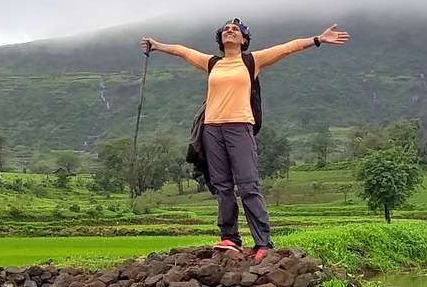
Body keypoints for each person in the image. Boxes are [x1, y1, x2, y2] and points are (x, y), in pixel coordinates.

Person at [140, 18, 350, 259]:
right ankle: (230, 238)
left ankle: (263, 242)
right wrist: (157, 45)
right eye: (226, 30)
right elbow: (182, 51)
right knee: (222, 187)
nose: (230, 31)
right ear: (220, 38)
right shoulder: (212, 63)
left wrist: (318, 39)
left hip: (239, 127)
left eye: (235, 30)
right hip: (212, 129)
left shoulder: (252, 61)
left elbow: (288, 47)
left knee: (248, 185)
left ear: (243, 39)